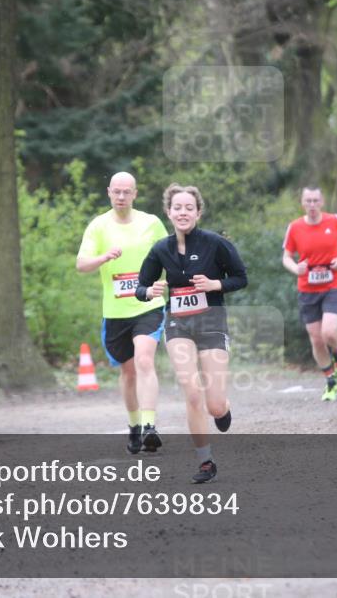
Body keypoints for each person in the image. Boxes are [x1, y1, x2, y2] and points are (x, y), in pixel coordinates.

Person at [136, 184, 247, 484]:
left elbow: (241, 277)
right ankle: (206, 462)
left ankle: (222, 408)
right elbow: (140, 287)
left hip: (211, 323)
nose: (182, 213)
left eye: (188, 208)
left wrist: (216, 285)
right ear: (168, 212)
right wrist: (150, 291)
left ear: (198, 212)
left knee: (213, 403)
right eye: (177, 208)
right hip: (179, 325)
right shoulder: (161, 248)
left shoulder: (215, 244)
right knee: (192, 393)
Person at [77, 172, 168, 455]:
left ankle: (150, 426)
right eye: (116, 191)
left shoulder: (151, 223)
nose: (121, 196)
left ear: (135, 194)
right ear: (108, 192)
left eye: (126, 192)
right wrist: (102, 258)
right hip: (115, 312)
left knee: (144, 359)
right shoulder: (98, 226)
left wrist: (167, 282)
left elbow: (171, 256)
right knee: (128, 373)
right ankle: (134, 426)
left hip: (148, 307)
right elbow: (81, 264)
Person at [282, 187, 337, 402]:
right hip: (307, 288)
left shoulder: (334, 221)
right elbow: (286, 256)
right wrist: (297, 269)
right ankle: (331, 382)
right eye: (308, 201)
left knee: (329, 333)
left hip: (333, 284)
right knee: (316, 340)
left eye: (315, 200)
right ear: (302, 203)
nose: (312, 205)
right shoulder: (295, 227)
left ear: (322, 202)